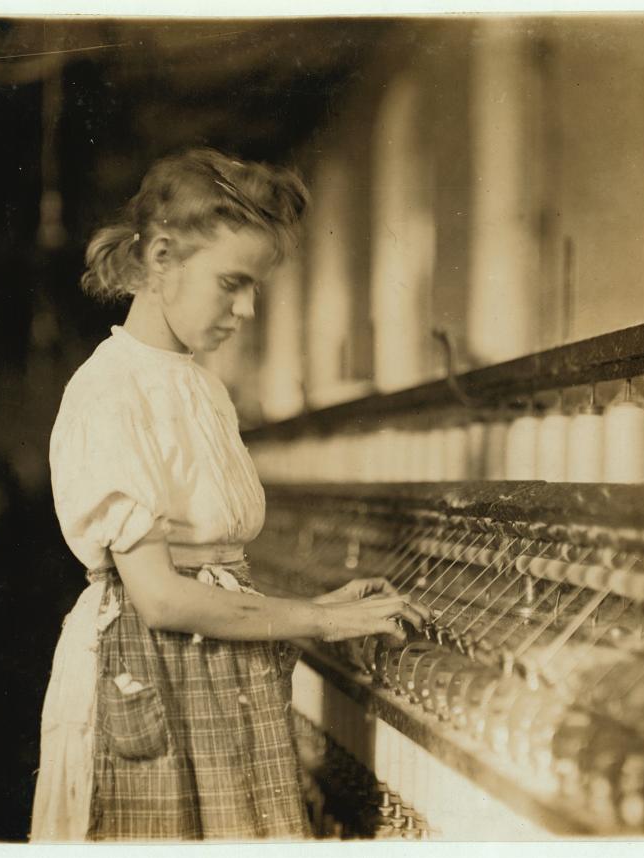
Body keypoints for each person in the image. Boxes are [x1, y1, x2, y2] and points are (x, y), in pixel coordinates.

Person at [29, 148, 430, 841]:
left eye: (255, 289)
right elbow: (160, 597)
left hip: (218, 673)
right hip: (152, 676)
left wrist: (317, 606)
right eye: (231, 283)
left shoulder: (203, 388)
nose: (245, 309)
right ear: (160, 257)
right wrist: (318, 621)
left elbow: (207, 560)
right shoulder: (109, 390)